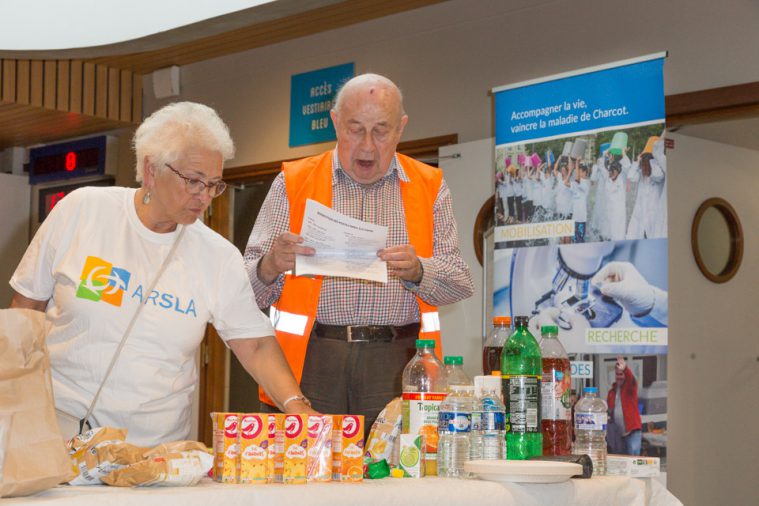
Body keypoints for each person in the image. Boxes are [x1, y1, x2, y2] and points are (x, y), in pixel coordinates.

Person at [9, 102, 315, 447]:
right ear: (151, 169)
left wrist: (297, 406)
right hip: (56, 430)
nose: (204, 197)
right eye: (194, 181)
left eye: (214, 185)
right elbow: (26, 307)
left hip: (151, 449)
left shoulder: (217, 256)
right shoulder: (83, 210)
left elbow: (256, 344)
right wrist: (15, 394)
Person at [244, 73, 474, 433]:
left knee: (395, 477)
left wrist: (418, 271)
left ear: (401, 128)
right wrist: (270, 264)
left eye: (381, 131)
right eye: (355, 129)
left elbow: (460, 283)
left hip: (398, 363)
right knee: (303, 478)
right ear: (335, 123)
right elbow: (243, 291)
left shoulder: (429, 186)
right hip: (309, 361)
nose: (367, 146)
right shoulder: (293, 181)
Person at [606, 357, 642, 455]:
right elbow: (609, 412)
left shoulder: (631, 387)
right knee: (622, 463)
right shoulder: (611, 392)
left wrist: (625, 368)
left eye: (621, 374)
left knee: (633, 462)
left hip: (632, 433)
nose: (619, 377)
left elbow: (631, 378)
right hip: (618, 436)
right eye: (617, 374)